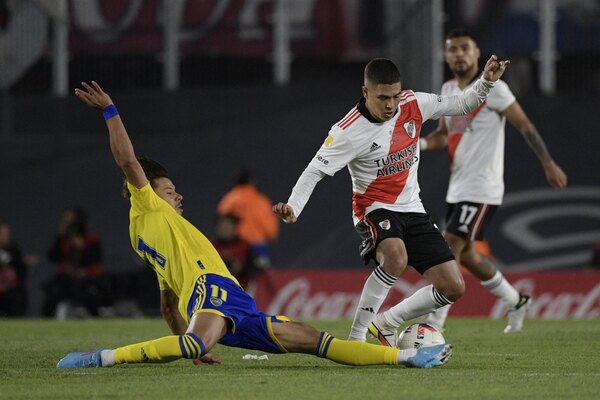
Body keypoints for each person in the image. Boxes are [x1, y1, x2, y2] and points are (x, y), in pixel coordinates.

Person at [56, 81, 452, 369]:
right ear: (143, 191)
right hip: (210, 292)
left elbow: (166, 301)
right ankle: (102, 358)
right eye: (169, 190)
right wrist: (111, 111)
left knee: (316, 341)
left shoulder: (150, 236)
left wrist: (189, 336)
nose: (178, 197)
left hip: (236, 303)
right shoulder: (145, 209)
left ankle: (407, 357)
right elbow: (128, 162)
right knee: (193, 345)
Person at [273, 55, 510, 347]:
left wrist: (486, 81)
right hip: (373, 208)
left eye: (395, 96)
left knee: (453, 286)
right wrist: (294, 206)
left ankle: (387, 321)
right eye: (383, 97)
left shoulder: (413, 104)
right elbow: (314, 171)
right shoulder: (347, 131)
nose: (390, 104)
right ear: (365, 92)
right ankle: (356, 339)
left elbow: (461, 104)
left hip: (413, 208)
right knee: (396, 258)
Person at [420, 29, 568, 333]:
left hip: (483, 185)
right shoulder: (448, 89)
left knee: (450, 247)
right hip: (458, 186)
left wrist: (548, 163)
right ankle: (515, 301)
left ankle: (434, 325)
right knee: (470, 255)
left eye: (465, 48)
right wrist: (415, 145)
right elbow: (442, 137)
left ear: (476, 54)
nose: (458, 54)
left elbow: (525, 125)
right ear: (446, 56)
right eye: (452, 49)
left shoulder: (493, 89)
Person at [43, 207, 105, 318]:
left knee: (90, 294)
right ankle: (45, 319)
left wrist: (82, 248)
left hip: (87, 279)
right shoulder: (63, 240)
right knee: (53, 291)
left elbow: (95, 260)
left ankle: (97, 319)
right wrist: (59, 237)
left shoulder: (91, 239)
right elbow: (52, 256)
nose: (67, 223)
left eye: (70, 220)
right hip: (66, 278)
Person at [217, 169, 279, 269]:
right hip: (258, 245)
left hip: (237, 246)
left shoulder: (230, 199)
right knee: (259, 278)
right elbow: (269, 226)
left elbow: (222, 219)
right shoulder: (261, 200)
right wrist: (271, 237)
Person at [211, 213, 255, 289]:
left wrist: (240, 269)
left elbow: (254, 271)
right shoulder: (211, 246)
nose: (225, 229)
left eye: (227, 227)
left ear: (235, 228)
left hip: (241, 289)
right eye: (222, 227)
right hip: (217, 288)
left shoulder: (245, 246)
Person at [0, 218, 29, 316]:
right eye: (3, 233)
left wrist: (24, 263)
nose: (6, 236)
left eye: (8, 233)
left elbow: (19, 266)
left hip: (10, 290)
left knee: (18, 297)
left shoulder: (13, 248)